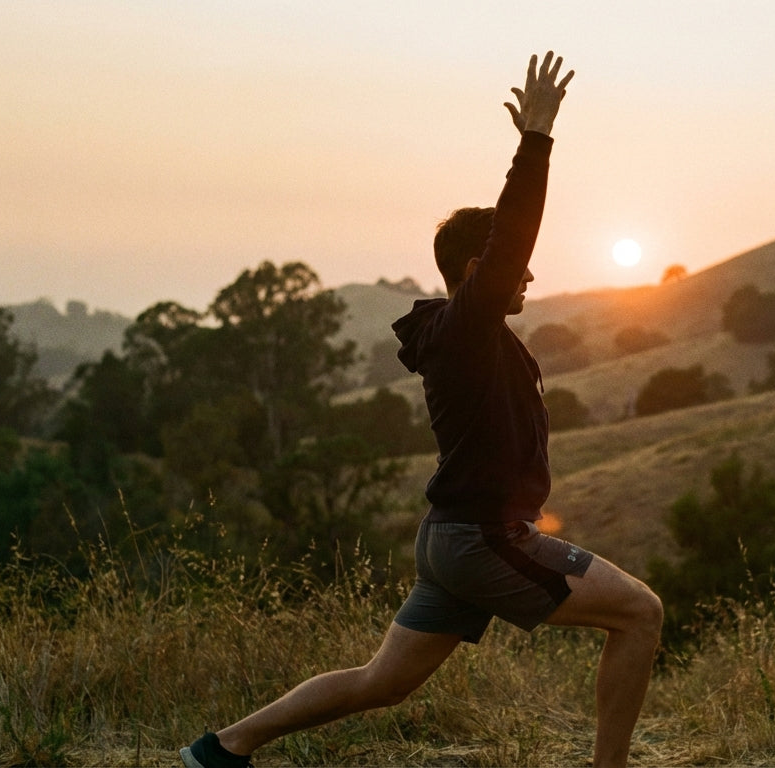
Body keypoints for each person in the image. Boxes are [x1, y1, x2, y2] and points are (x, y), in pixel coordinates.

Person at [180, 51, 663, 768]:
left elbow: (507, 253)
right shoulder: (466, 332)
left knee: (384, 681)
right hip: (480, 539)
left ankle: (224, 748)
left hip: (449, 540)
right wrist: (536, 139)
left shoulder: (472, 336)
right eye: (511, 262)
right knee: (640, 612)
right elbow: (511, 239)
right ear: (478, 270)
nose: (529, 270)